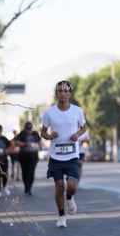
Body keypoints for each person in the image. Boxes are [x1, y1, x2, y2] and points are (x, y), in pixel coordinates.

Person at [40, 80, 87, 228]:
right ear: (56, 93)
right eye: (60, 90)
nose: (63, 93)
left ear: (70, 94)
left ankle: (69, 197)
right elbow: (42, 132)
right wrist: (49, 136)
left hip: (73, 155)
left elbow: (84, 127)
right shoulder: (49, 112)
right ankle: (61, 216)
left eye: (66, 91)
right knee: (59, 186)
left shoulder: (77, 111)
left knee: (72, 186)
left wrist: (77, 135)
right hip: (56, 156)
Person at [15, 122, 42, 196]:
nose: (29, 131)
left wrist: (40, 147)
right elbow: (16, 142)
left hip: (33, 157)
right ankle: (26, 187)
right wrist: (25, 144)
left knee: (31, 172)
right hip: (23, 156)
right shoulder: (22, 134)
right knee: (24, 173)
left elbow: (39, 141)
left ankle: (29, 188)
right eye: (27, 129)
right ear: (25, 129)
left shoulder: (35, 134)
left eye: (30, 129)